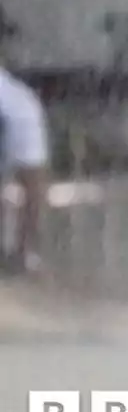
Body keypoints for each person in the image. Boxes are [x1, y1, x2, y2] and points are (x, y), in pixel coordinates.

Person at [0, 65, 49, 277]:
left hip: (17, 112)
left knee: (34, 184)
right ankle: (25, 253)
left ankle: (26, 252)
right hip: (17, 109)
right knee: (33, 184)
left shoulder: (18, 105)